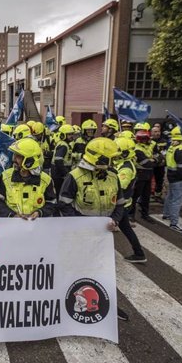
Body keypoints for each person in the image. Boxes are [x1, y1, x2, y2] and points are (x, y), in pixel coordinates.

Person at [56, 137, 130, 320]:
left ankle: (106, 304)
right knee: (77, 269)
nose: (112, 162)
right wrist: (81, 224)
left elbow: (120, 204)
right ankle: (70, 302)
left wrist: (115, 220)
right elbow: (63, 204)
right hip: (80, 236)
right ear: (99, 160)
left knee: (103, 271)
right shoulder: (74, 176)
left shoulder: (113, 177)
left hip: (103, 237)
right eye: (109, 159)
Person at [0, 138, 56, 218]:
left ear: (29, 161)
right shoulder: (5, 176)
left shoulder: (46, 180)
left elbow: (52, 203)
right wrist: (12, 215)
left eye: (18, 156)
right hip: (11, 226)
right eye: (14, 155)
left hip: (36, 227)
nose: (14, 159)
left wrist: (40, 212)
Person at [113, 137, 147, 262]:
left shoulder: (126, 168)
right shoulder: (123, 164)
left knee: (108, 228)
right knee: (126, 228)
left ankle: (139, 253)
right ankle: (139, 253)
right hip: (123, 204)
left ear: (125, 152)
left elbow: (120, 186)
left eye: (118, 150)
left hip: (121, 205)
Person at [162, 127, 182, 230]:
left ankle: (166, 214)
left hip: (171, 176)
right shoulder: (181, 149)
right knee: (177, 201)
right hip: (179, 178)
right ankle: (174, 223)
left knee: (170, 197)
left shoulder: (172, 146)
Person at [131, 129, 157, 222]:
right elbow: (147, 163)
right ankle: (131, 215)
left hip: (149, 174)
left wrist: (155, 160)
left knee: (146, 196)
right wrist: (154, 161)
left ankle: (145, 214)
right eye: (146, 138)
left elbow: (160, 157)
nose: (148, 140)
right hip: (140, 174)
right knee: (135, 196)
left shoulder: (149, 147)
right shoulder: (137, 149)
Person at [51, 124, 74, 193]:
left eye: (72, 134)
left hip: (58, 173)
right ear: (63, 135)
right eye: (69, 134)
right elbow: (58, 161)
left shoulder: (64, 144)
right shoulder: (63, 145)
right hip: (59, 175)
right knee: (61, 192)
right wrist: (66, 173)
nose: (71, 136)